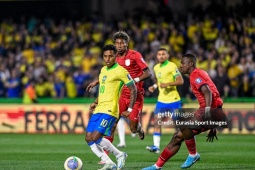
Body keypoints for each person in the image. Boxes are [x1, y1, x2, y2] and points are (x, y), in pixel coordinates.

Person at [142, 53, 227, 170]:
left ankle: (193, 154)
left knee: (182, 122)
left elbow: (208, 92)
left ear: (191, 64)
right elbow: (214, 94)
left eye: (183, 63)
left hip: (209, 111)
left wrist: (208, 114)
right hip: (214, 111)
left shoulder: (195, 75)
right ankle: (157, 166)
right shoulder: (200, 73)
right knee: (177, 136)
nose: (180, 65)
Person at [87, 31, 151, 155]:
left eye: (122, 43)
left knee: (133, 128)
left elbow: (148, 73)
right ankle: (106, 154)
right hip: (121, 95)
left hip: (135, 95)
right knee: (112, 124)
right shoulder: (113, 57)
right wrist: (97, 81)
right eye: (117, 43)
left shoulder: (135, 55)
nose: (119, 45)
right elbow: (109, 74)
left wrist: (135, 80)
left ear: (127, 43)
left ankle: (139, 129)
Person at [85, 44, 137, 170]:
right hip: (99, 108)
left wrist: (129, 109)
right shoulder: (103, 70)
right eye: (105, 56)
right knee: (88, 138)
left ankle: (120, 155)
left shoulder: (121, 71)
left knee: (96, 137)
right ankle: (108, 162)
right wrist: (95, 102)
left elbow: (133, 89)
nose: (108, 59)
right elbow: (104, 89)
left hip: (110, 109)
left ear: (115, 56)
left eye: (110, 56)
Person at [146, 48, 184, 154]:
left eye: (163, 54)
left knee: (179, 126)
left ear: (167, 55)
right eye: (159, 54)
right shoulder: (156, 67)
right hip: (161, 100)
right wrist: (154, 86)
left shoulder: (172, 66)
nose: (161, 56)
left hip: (174, 100)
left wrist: (167, 84)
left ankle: (191, 148)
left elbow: (180, 81)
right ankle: (156, 147)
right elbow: (160, 81)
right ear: (157, 56)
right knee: (157, 123)